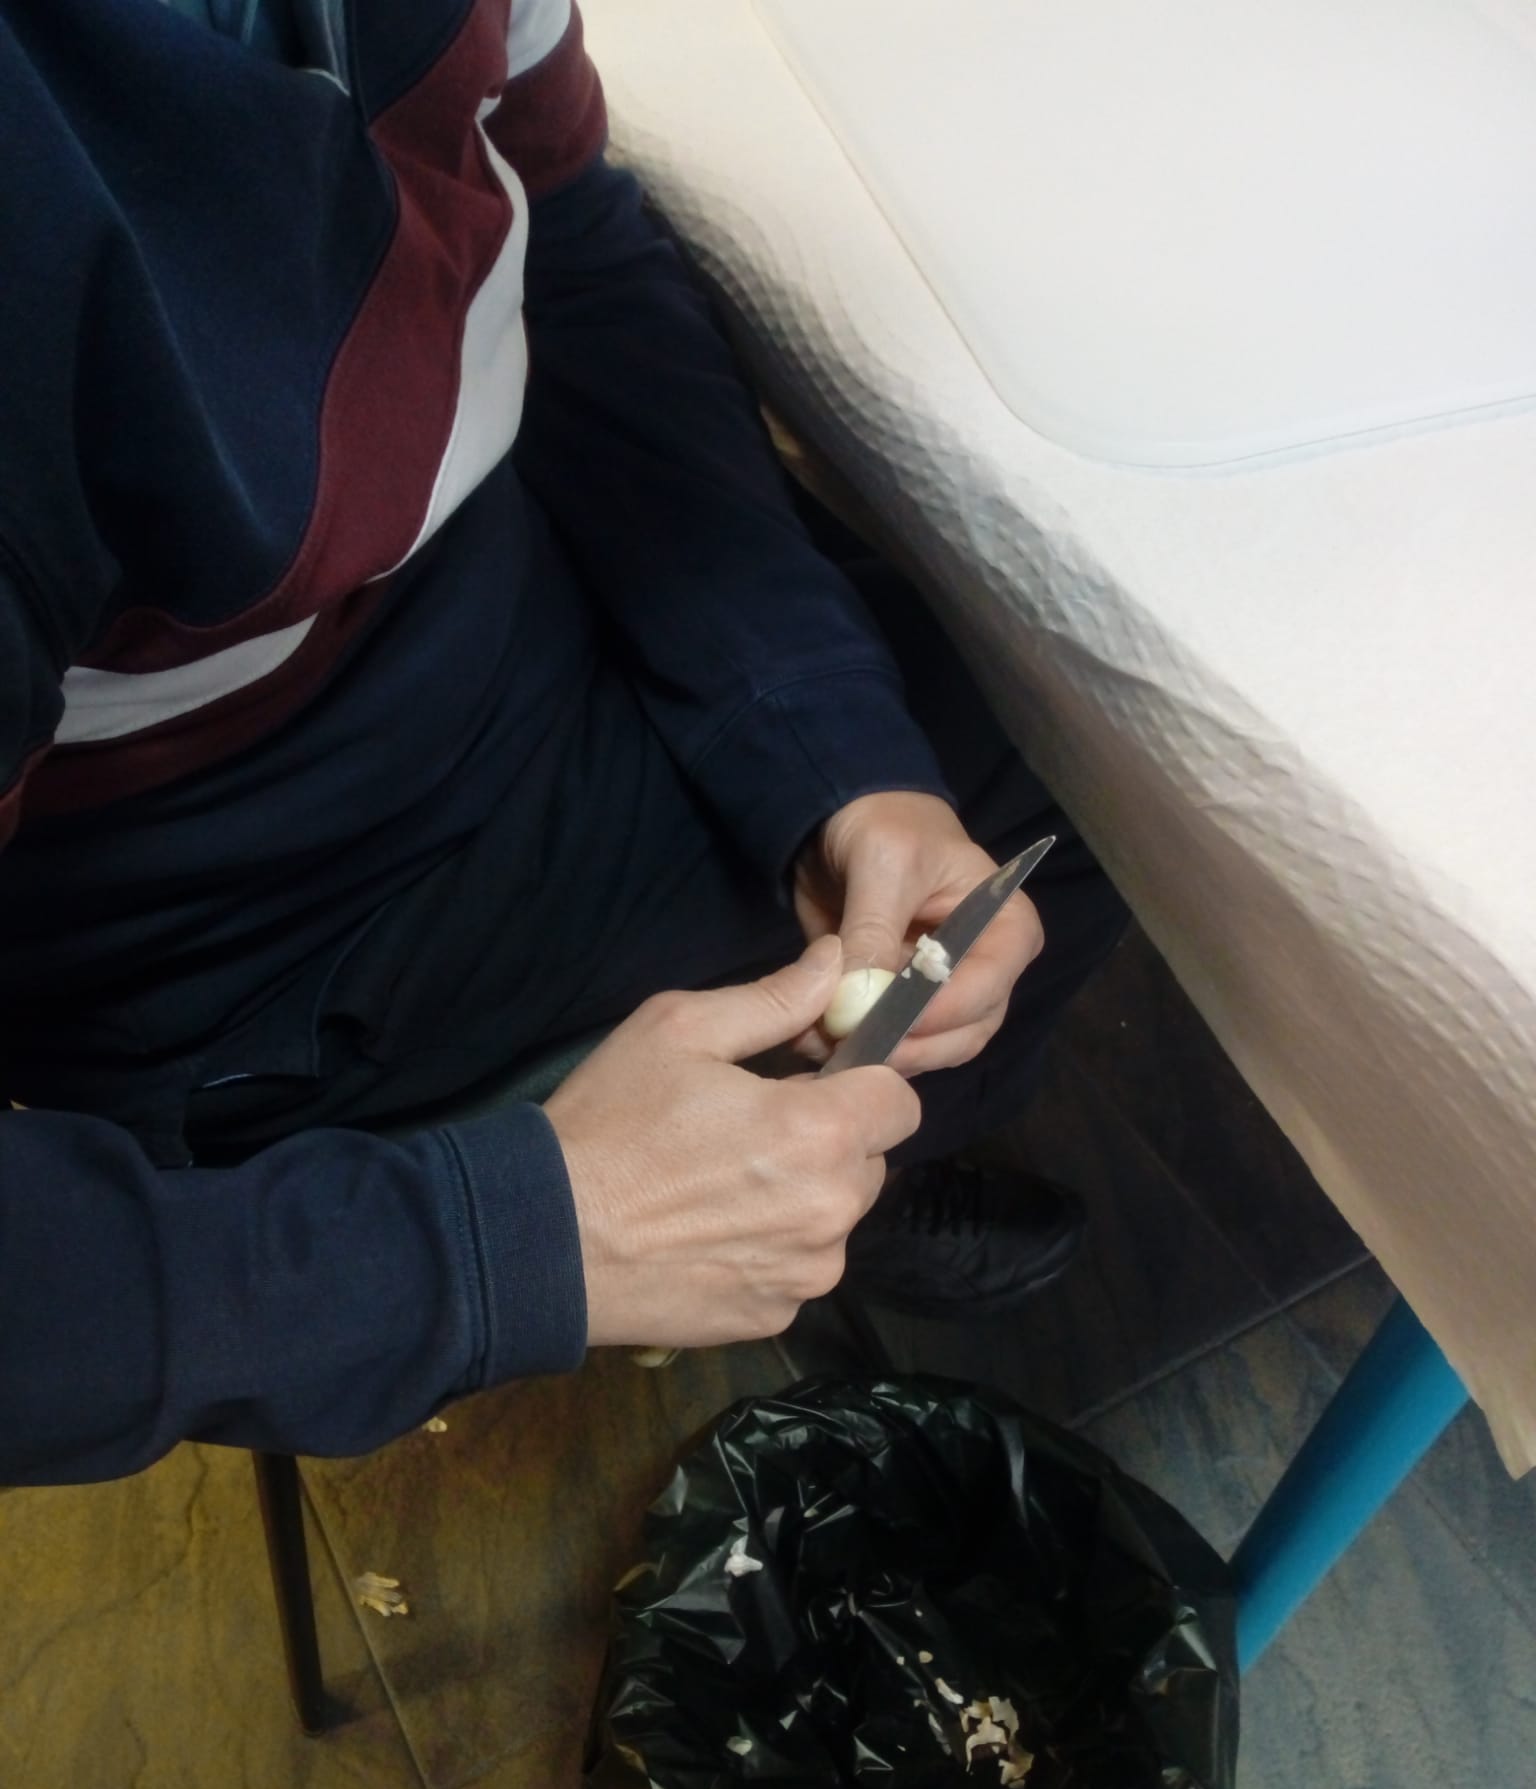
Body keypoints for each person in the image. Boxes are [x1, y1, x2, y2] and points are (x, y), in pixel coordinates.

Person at [0, 0, 1126, 1487]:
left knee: (1084, 756)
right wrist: (505, 1240)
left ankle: (831, 1178)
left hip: (501, 612)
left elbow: (566, 250)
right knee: (1090, 813)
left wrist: (829, 745)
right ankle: (807, 1189)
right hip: (263, 944)